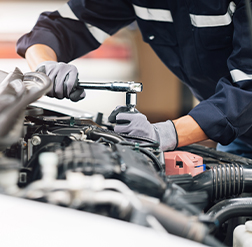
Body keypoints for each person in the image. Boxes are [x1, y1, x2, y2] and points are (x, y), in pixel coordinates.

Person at [16, 0, 252, 158]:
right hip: (237, 133)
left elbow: (248, 90)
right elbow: (59, 27)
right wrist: (44, 67)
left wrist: (166, 134)